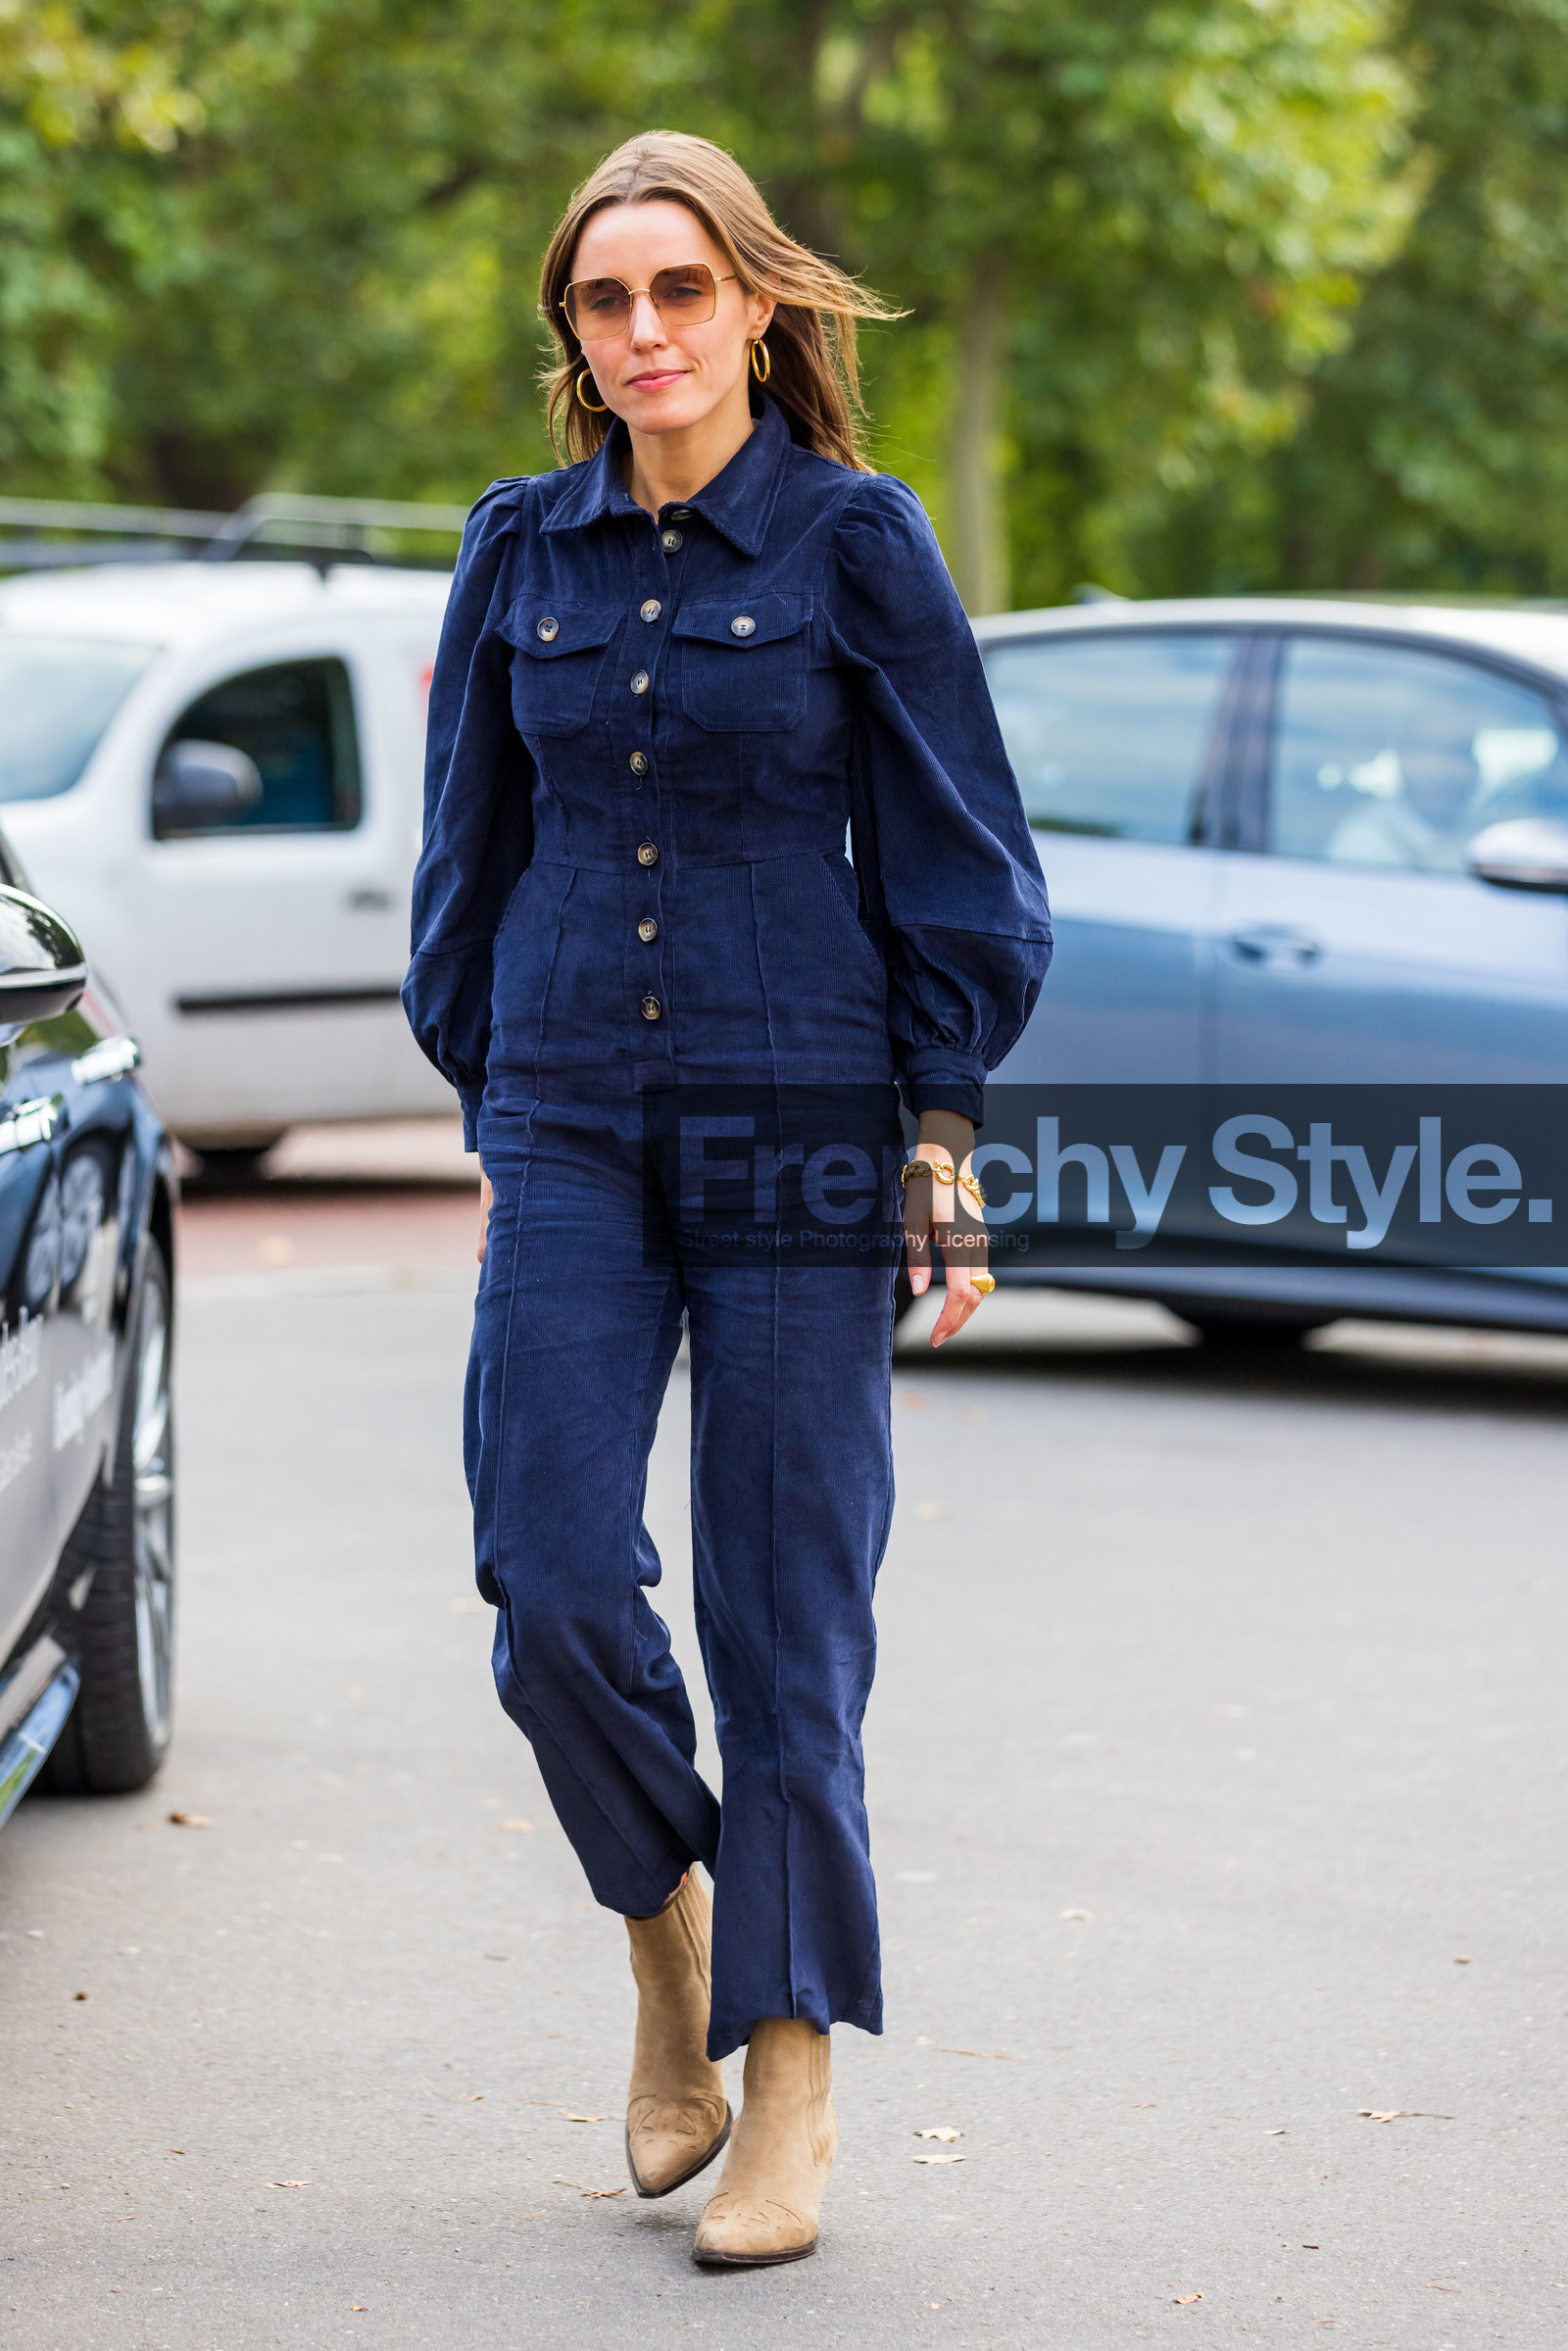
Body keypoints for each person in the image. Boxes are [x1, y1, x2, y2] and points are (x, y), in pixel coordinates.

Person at [403, 129, 1052, 2269]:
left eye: (683, 290)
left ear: (754, 308)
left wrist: (935, 1137)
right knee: (550, 1572)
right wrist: (496, 1088)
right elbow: (462, 870)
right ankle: (667, 1935)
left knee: (789, 1620)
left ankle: (787, 2075)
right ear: (572, 340)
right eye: (607, 301)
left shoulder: (858, 546)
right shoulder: (520, 556)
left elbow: (961, 864)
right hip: (570, 1114)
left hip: (802, 1115)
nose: (647, 331)